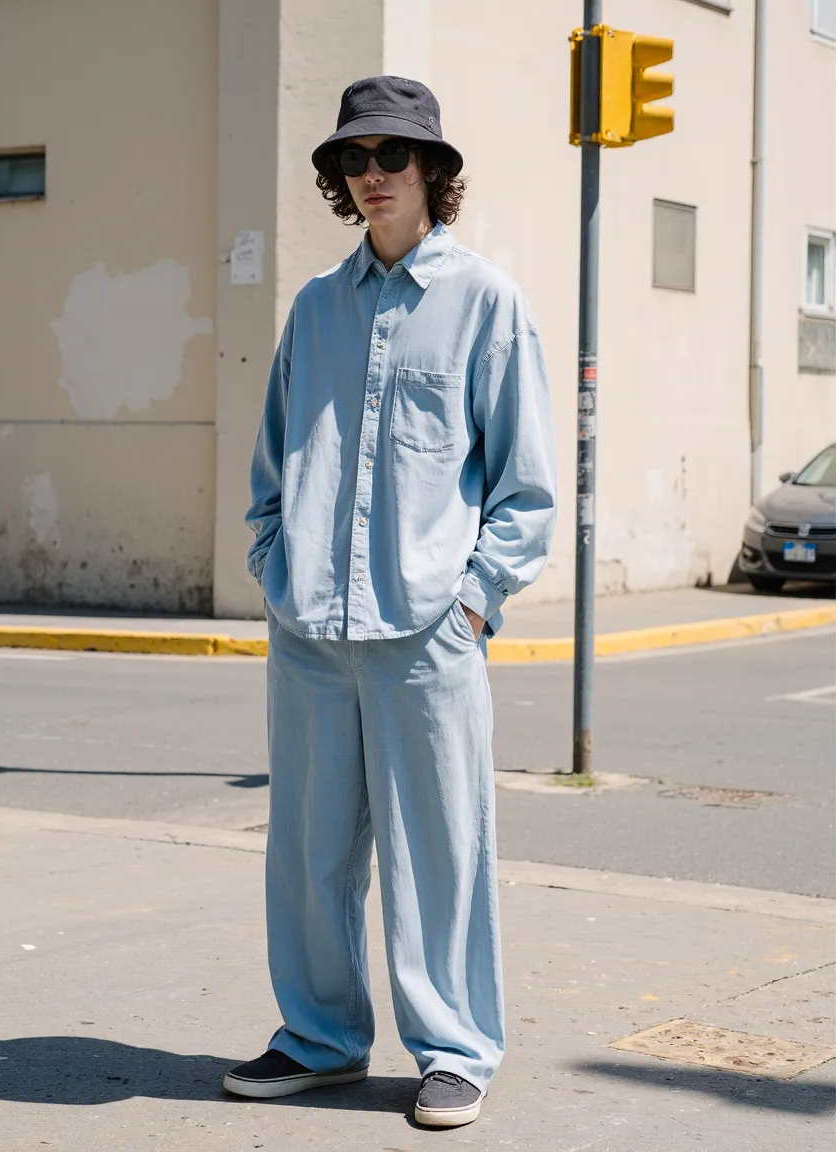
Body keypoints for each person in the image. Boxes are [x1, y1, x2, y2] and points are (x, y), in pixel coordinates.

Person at [223, 75, 556, 1129]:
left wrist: (473, 600)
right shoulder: (315, 308)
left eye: (391, 158)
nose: (370, 177)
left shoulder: (485, 302)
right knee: (309, 854)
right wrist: (274, 568)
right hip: (312, 629)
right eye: (352, 160)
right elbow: (273, 462)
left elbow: (524, 486)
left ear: (432, 173)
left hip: (427, 630)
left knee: (439, 851)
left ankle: (454, 1047)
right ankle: (319, 1040)